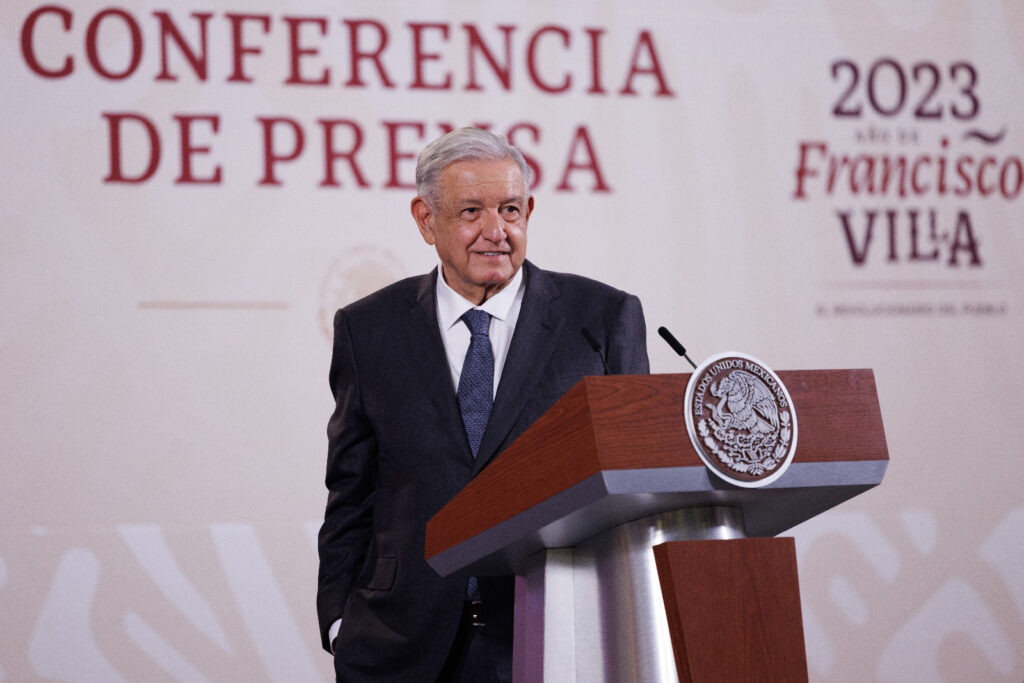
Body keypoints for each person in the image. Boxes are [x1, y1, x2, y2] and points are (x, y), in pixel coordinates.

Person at [316, 127, 649, 682]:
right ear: (426, 220)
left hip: (557, 635)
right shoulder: (368, 329)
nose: (496, 231)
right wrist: (338, 620)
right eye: (471, 211)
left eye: (511, 210)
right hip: (399, 644)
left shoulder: (602, 318)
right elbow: (350, 491)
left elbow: (634, 484)